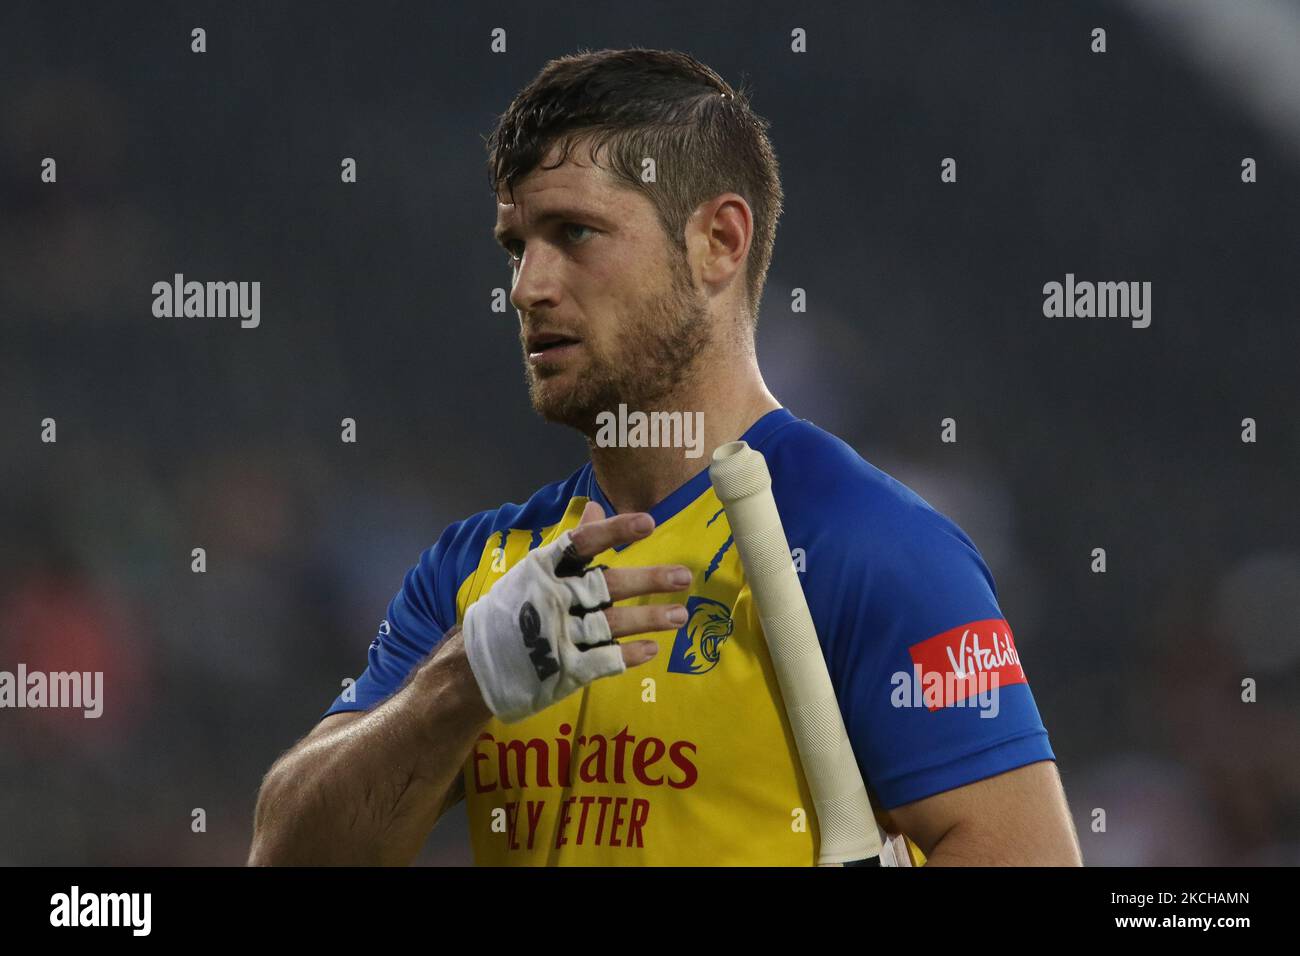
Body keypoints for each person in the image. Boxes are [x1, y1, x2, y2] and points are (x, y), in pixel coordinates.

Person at [248, 48, 1081, 866]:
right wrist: (465, 680)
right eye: (517, 245)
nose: (527, 287)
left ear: (719, 241)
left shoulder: (871, 546)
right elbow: (285, 854)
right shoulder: (480, 574)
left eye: (574, 232)